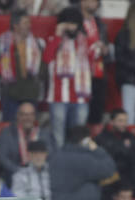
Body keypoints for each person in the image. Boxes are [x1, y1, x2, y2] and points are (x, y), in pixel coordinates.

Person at [45, 8, 93, 148]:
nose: (72, 27)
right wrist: (58, 35)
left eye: (75, 24)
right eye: (69, 24)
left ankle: (76, 164)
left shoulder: (84, 42)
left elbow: (94, 61)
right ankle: (59, 163)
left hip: (80, 97)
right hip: (59, 96)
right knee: (58, 137)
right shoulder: (54, 39)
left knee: (79, 137)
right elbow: (47, 58)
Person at [0, 11, 44, 126]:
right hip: (10, 91)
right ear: (15, 25)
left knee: (30, 125)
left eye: (29, 22)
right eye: (25, 23)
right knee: (10, 124)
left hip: (31, 92)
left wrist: (40, 75)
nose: (29, 25)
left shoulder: (35, 43)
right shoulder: (3, 41)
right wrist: (2, 74)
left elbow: (42, 63)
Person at [50, 125, 118, 200]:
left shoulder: (55, 156)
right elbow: (109, 169)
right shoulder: (85, 159)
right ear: (86, 140)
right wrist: (96, 148)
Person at [96, 110, 135, 196]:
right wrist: (123, 148)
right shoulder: (101, 138)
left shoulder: (131, 137)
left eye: (125, 121)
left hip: (130, 178)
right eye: (120, 121)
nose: (124, 124)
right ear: (112, 122)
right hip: (111, 179)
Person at [0, 102, 54, 181]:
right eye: (24, 114)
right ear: (18, 116)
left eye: (31, 114)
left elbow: (52, 155)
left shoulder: (44, 133)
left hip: (41, 175)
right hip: (14, 175)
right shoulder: (7, 132)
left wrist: (41, 171)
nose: (28, 118)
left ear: (35, 117)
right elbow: (2, 158)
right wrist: (20, 172)